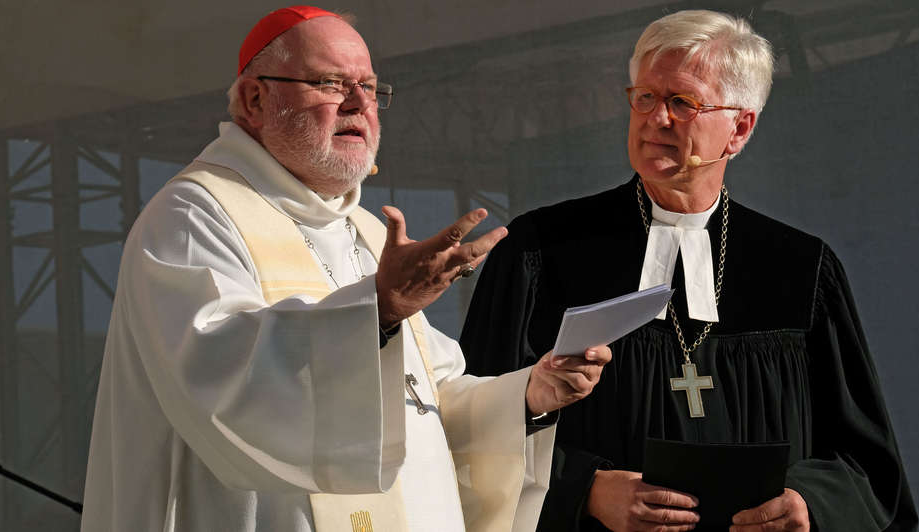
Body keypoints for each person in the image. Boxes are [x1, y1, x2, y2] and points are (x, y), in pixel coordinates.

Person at [79, 6, 609, 532]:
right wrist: (378, 310)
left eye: (370, 87)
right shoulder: (195, 216)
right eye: (331, 84)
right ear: (255, 99)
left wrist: (529, 394)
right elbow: (223, 384)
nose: (359, 104)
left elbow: (427, 403)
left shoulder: (368, 231)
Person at [461, 9, 917, 532]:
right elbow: (474, 420)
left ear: (739, 128)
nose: (656, 119)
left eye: (682, 102)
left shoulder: (801, 268)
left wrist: (809, 504)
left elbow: (866, 464)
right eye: (645, 98)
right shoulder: (542, 251)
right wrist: (580, 489)